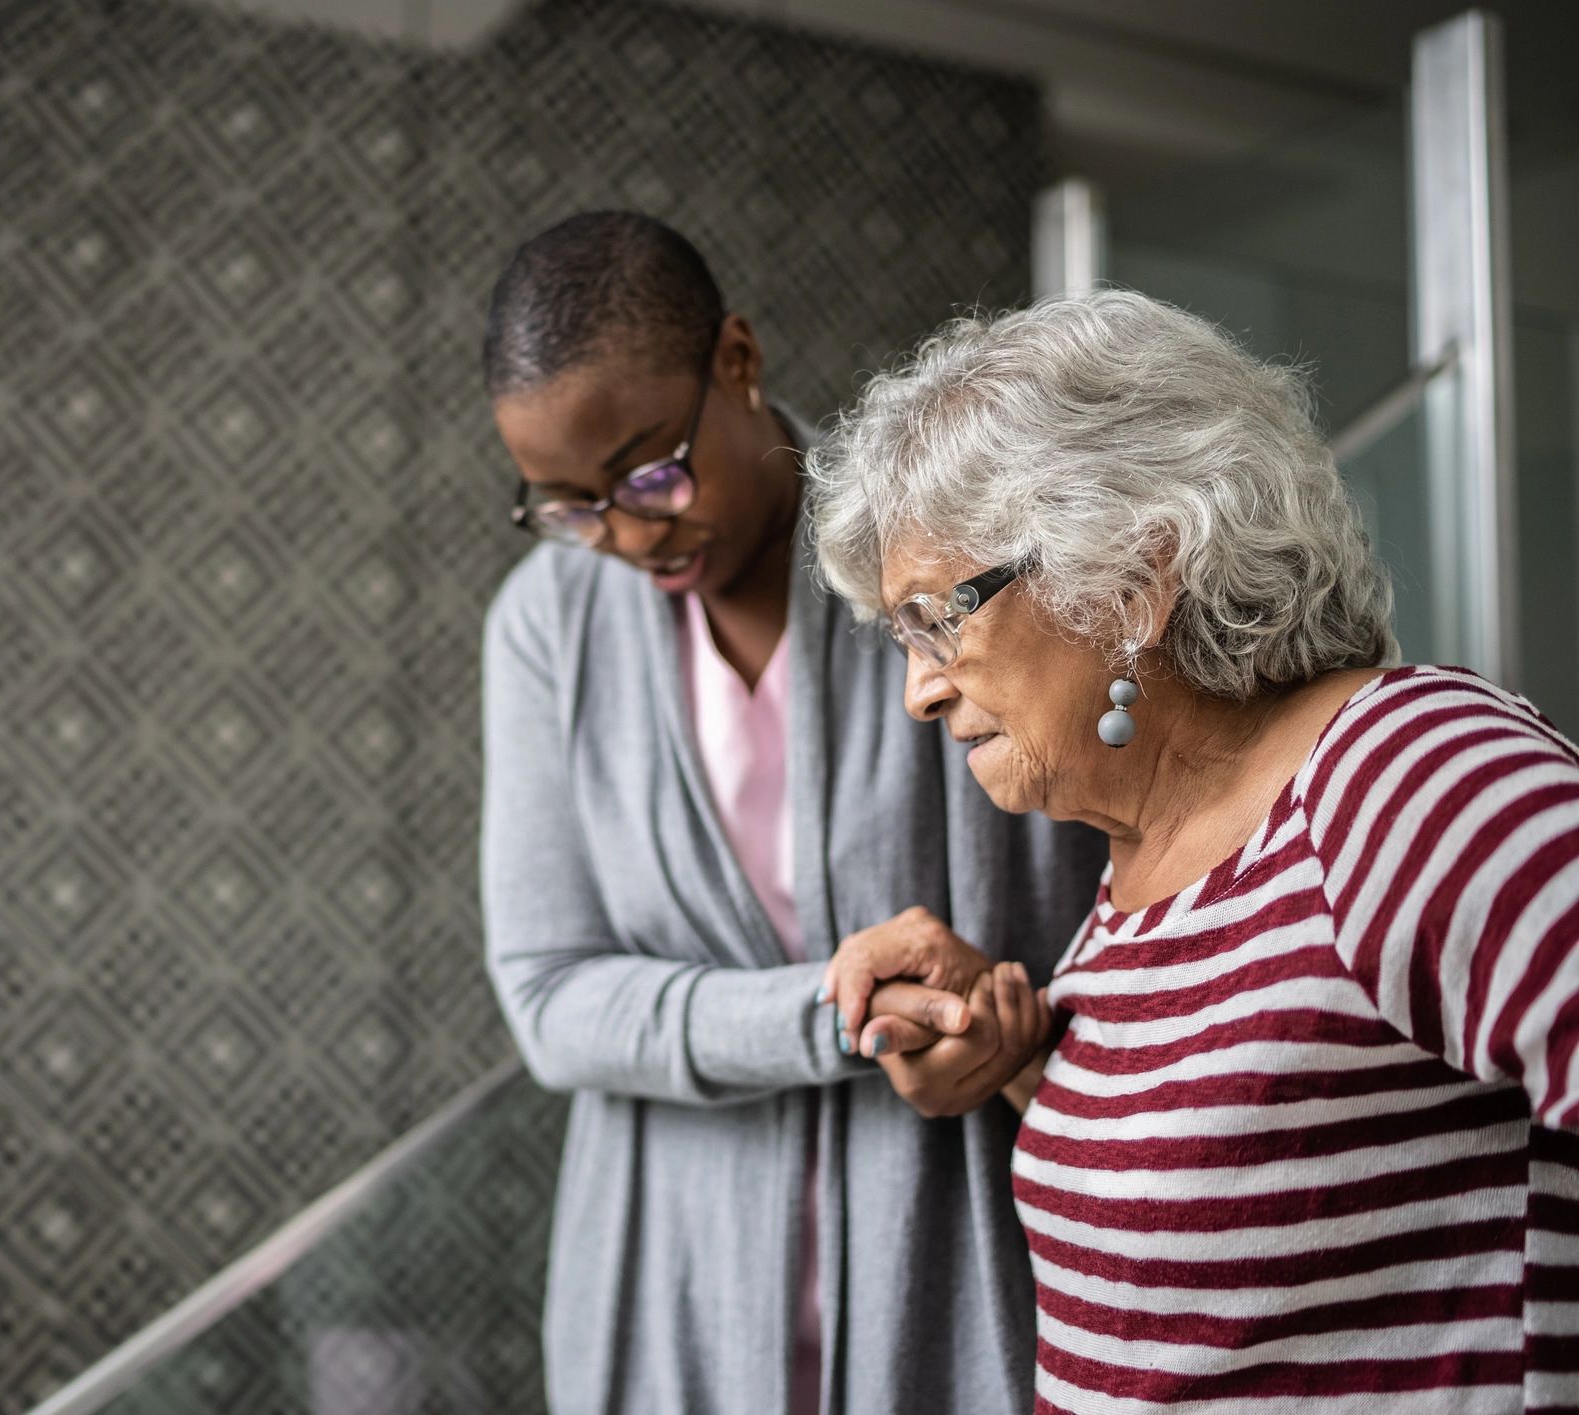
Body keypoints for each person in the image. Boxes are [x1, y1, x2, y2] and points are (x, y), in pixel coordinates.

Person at [808, 287, 1579, 1412]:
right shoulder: (1134, 867)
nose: (920, 689)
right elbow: (1258, 1198)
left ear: (1134, 579)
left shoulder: (1402, 774)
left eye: (941, 617)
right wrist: (1022, 1052)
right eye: (901, 636)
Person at [478, 210, 1104, 1415]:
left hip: (967, 1242)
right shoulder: (544, 627)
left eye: (650, 471)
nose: (622, 533)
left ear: (738, 360)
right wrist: (841, 1015)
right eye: (564, 504)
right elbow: (554, 996)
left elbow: (1118, 884)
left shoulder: (944, 553)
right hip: (667, 1277)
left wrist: (1002, 1029)